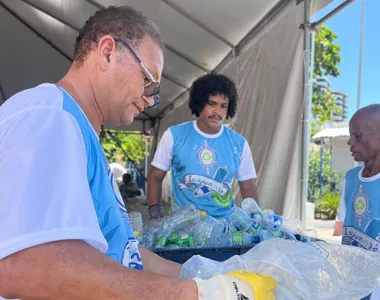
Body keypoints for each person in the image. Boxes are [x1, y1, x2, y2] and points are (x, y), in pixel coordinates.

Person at [0, 5, 276, 300]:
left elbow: (124, 252)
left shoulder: (78, 131)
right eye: (147, 80)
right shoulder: (49, 114)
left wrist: (203, 274)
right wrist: (198, 293)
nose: (150, 99)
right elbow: (24, 265)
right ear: (107, 52)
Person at [147, 74, 258, 219]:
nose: (217, 112)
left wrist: (256, 218)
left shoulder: (239, 143)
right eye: (211, 104)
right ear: (199, 103)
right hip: (183, 228)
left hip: (224, 228)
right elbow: (155, 176)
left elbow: (247, 185)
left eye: (223, 106)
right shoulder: (174, 135)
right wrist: (154, 210)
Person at [334, 104, 380, 300]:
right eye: (351, 135)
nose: (350, 142)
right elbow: (345, 229)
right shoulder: (351, 179)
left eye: (358, 136)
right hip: (352, 287)